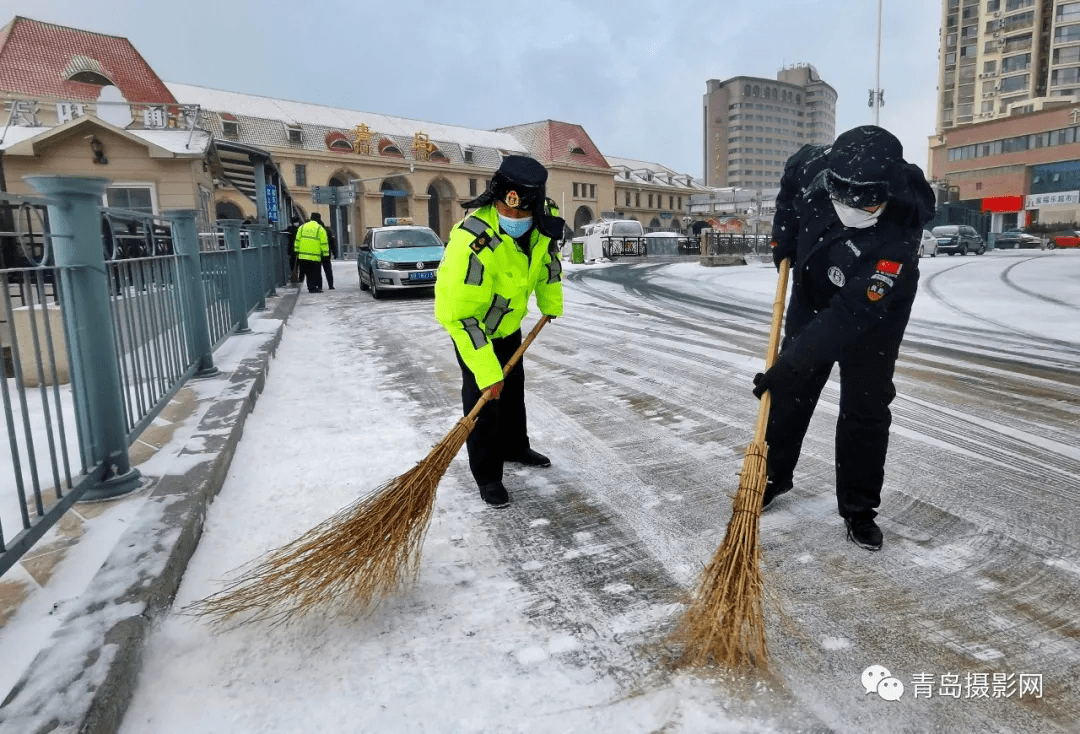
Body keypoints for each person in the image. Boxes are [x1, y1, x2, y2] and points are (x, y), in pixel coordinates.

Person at [753, 125, 935, 551]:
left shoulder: (898, 237)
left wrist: (789, 364)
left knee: (865, 408)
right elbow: (789, 192)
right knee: (791, 395)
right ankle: (772, 475)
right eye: (843, 197)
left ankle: (858, 509)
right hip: (813, 289)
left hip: (873, 316)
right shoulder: (814, 165)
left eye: (867, 200)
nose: (852, 207)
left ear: (886, 189)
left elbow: (851, 313)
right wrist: (783, 238)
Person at [434, 155, 566, 507]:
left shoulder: (540, 220)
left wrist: (550, 302)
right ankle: (488, 475)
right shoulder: (471, 245)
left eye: (525, 214)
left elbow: (547, 262)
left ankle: (515, 446)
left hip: (508, 325)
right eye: (512, 214)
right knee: (485, 399)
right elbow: (459, 316)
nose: (519, 220)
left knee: (513, 390)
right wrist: (487, 371)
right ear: (497, 201)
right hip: (473, 330)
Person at [294, 212, 329, 293]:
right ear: (319, 219)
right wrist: (325, 254)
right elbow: (324, 243)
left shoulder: (302, 227)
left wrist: (297, 251)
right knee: (316, 272)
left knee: (308, 273)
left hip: (303, 256)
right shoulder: (320, 229)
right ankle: (317, 287)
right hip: (315, 256)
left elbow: (297, 240)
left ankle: (310, 287)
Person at [286, 216, 302, 284]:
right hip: (297, 248)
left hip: (293, 248)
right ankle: (296, 275)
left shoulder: (290, 229)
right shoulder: (299, 229)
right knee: (296, 262)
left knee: (294, 262)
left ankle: (294, 274)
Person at [322, 226, 337, 290]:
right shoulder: (327, 230)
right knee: (328, 270)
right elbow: (332, 243)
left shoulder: (315, 230)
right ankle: (330, 285)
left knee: (316, 271)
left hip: (316, 254)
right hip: (326, 254)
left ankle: (319, 286)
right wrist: (334, 253)